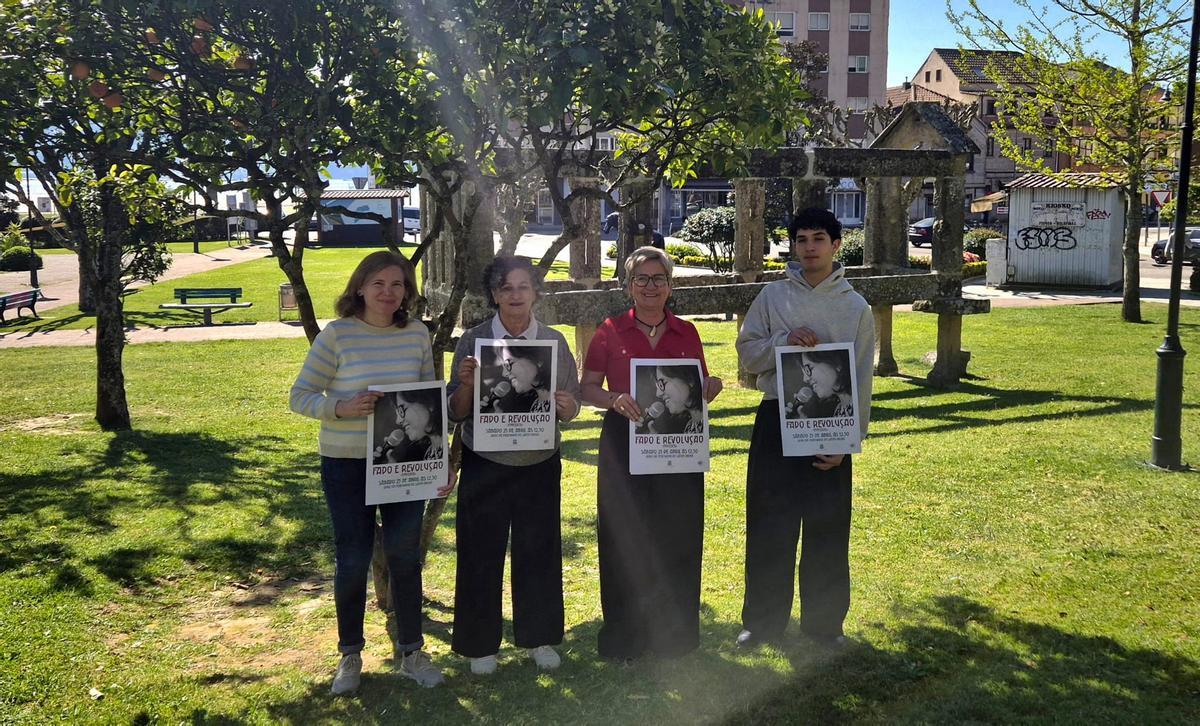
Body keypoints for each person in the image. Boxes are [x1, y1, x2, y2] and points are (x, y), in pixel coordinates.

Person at [289, 250, 454, 695]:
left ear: (407, 292)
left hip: (404, 467)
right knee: (352, 558)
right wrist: (340, 407)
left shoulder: (416, 334)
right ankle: (350, 654)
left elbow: (427, 405)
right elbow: (300, 395)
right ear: (359, 287)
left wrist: (436, 463)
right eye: (378, 283)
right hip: (346, 463)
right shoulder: (337, 336)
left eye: (398, 284)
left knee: (405, 558)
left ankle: (412, 650)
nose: (388, 292)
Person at [734, 208, 874, 650]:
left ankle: (825, 625)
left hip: (832, 427)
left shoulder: (855, 307)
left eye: (819, 238)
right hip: (777, 420)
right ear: (792, 246)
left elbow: (862, 380)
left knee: (827, 531)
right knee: (769, 527)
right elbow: (747, 354)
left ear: (836, 245)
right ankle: (761, 623)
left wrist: (849, 442)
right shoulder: (773, 298)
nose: (809, 247)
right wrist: (783, 340)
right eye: (801, 239)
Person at [580, 246, 723, 660]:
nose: (649, 286)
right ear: (628, 286)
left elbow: (698, 386)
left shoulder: (688, 332)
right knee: (624, 538)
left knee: (679, 535)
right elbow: (587, 386)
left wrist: (710, 387)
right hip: (624, 443)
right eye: (641, 279)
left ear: (670, 286)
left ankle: (676, 637)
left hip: (678, 446)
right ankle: (625, 637)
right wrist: (613, 400)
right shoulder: (608, 330)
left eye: (658, 278)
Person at [446, 256, 581, 675]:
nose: (515, 295)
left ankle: (539, 638)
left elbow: (571, 407)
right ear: (494, 295)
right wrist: (468, 386)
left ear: (536, 292)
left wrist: (566, 406)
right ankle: (479, 645)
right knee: (479, 552)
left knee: (538, 551)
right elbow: (454, 411)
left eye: (523, 287)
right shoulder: (474, 340)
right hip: (485, 461)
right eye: (506, 288)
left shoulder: (554, 342)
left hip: (539, 463)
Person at [479, 345, 553, 414]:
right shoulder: (534, 403)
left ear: (537, 359)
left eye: (508, 364)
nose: (504, 374)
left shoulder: (554, 400)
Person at [635, 364, 705, 435]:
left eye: (662, 383)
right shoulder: (690, 425)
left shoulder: (705, 425)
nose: (658, 394)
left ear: (690, 379)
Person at [784, 350, 854, 420]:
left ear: (836, 363)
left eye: (809, 369)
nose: (805, 379)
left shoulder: (860, 402)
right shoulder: (838, 409)